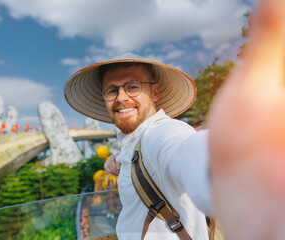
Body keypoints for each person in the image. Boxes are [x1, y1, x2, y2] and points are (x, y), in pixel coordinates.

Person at [66, 0, 285, 239]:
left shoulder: (162, 134)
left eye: (132, 86)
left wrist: (241, 159)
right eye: (112, 90)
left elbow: (189, 155)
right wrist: (116, 160)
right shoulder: (133, 145)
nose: (121, 97)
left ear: (155, 93)